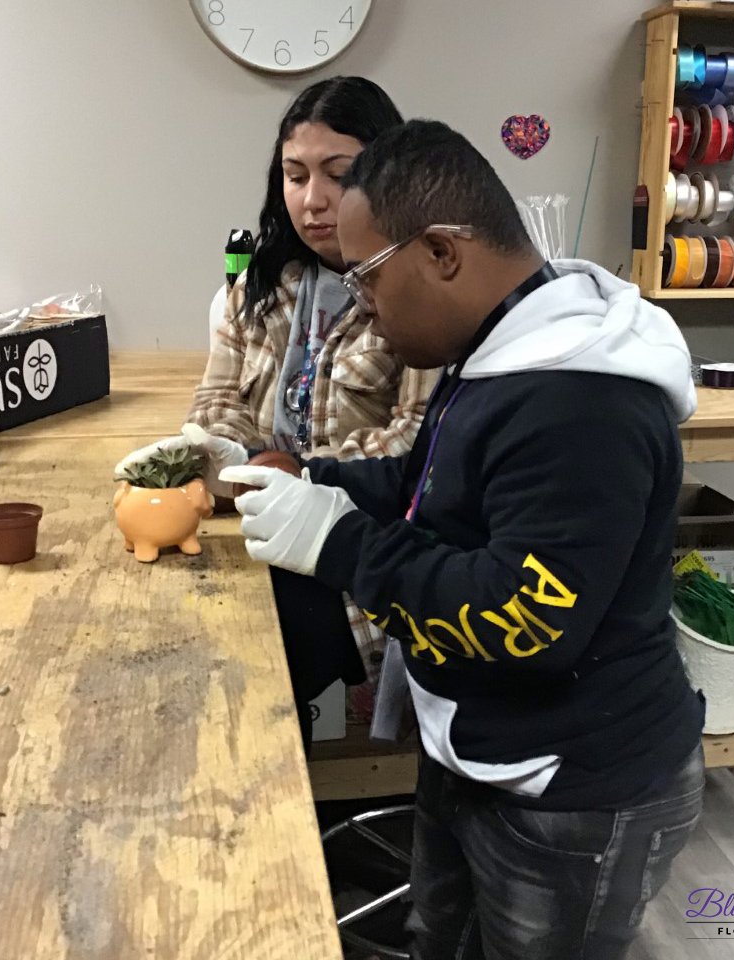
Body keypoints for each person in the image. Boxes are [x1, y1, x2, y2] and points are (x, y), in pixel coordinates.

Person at [221, 119, 706, 958]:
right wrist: (304, 478)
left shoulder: (581, 404)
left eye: (367, 278)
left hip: (571, 790)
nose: (364, 313)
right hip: (478, 753)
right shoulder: (499, 353)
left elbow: (524, 622)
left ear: (442, 252)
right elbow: (430, 491)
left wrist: (339, 546)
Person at [116, 78, 438, 750]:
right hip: (259, 529)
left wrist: (299, 473)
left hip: (356, 560)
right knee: (155, 621)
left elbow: (420, 445)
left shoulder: (418, 290)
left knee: (224, 676)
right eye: (294, 176)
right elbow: (219, 396)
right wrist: (214, 454)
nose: (313, 200)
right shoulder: (260, 283)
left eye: (338, 175)